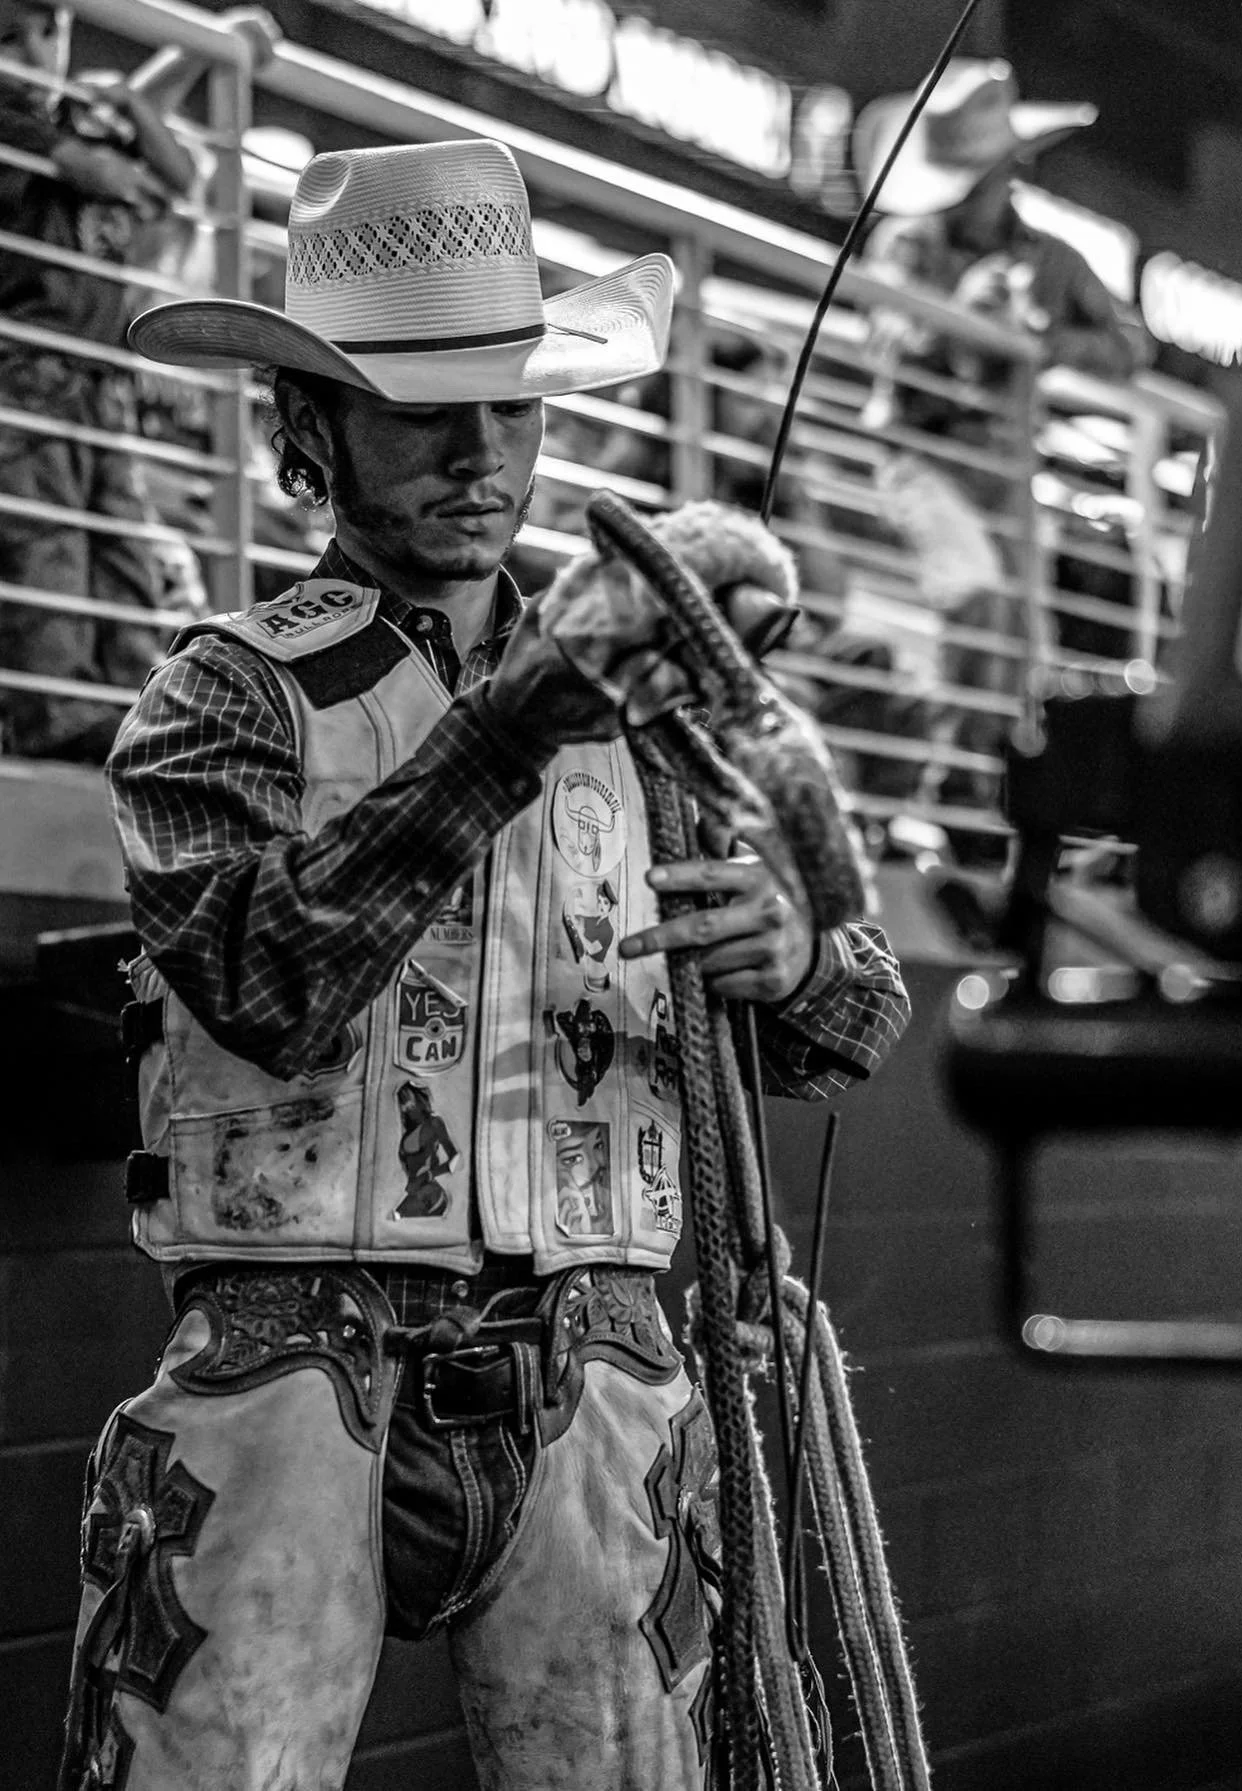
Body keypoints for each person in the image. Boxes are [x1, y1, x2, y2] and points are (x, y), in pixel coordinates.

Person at [58, 137, 910, 1791]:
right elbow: (268, 980)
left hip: (596, 1363)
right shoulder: (225, 693)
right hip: (294, 1354)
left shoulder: (653, 703)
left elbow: (859, 1007)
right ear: (314, 432)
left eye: (511, 408)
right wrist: (523, 723)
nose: (480, 452)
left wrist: (793, 952)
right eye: (422, 410)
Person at [840, 59, 1152, 864]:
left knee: (1020, 635)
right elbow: (889, 341)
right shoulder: (907, 243)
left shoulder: (1053, 258)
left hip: (1008, 470)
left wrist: (1041, 340)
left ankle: (985, 788)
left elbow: (1126, 345)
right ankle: (955, 781)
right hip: (926, 456)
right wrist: (965, 320)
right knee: (975, 592)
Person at [0, 1, 204, 758]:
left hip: (100, 379)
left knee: (119, 537)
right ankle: (55, 714)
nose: (33, 53)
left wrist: (133, 106)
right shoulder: (20, 128)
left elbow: (180, 178)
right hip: (28, 372)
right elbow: (88, 168)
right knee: (45, 539)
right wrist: (112, 139)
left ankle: (127, 698)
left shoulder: (82, 115)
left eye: (48, 30)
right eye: (8, 40)